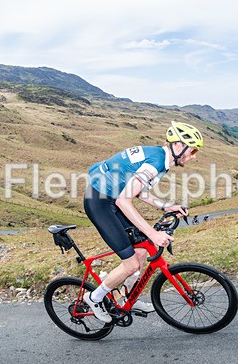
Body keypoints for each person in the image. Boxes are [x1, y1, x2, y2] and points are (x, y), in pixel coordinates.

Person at [82, 121, 203, 322]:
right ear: (179, 146)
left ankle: (126, 299)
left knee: (141, 251)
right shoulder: (156, 162)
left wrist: (165, 206)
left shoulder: (161, 159)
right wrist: (153, 233)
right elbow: (124, 200)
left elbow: (140, 192)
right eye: (193, 150)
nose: (194, 156)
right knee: (130, 264)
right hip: (100, 202)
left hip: (113, 198)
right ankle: (94, 298)